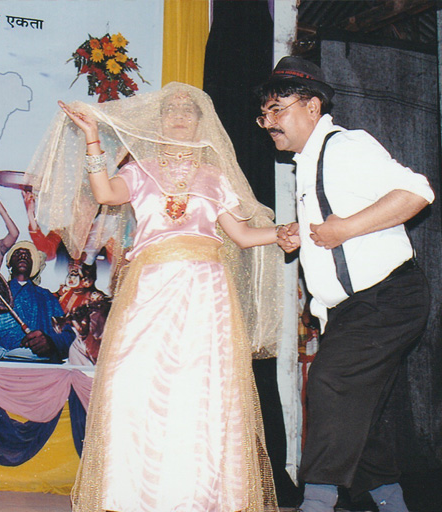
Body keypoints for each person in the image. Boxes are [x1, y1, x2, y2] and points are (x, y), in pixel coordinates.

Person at [31, 82, 285, 511]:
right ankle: (132, 495)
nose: (180, 116)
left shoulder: (217, 178)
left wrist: (284, 233)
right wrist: (92, 136)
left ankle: (201, 497)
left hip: (206, 293)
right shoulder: (140, 171)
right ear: (158, 120)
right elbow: (105, 193)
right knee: (134, 381)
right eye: (171, 110)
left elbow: (242, 236)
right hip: (149, 289)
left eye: (189, 110)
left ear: (201, 122)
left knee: (203, 389)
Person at [258, 56, 434, 512]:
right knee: (363, 413)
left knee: (331, 384)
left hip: (386, 297)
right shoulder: (308, 163)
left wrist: (345, 229)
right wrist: (302, 234)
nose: (269, 123)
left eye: (277, 110)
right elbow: (332, 223)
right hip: (355, 309)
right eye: (264, 114)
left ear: (312, 106)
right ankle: (391, 502)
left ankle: (317, 501)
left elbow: (417, 192)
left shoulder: (345, 146)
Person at [0, 241, 75, 363]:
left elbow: (69, 337)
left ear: (34, 264)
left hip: (41, 368)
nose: (22, 256)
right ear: (9, 263)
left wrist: (52, 342)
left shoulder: (47, 297)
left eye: (27, 255)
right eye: (17, 253)